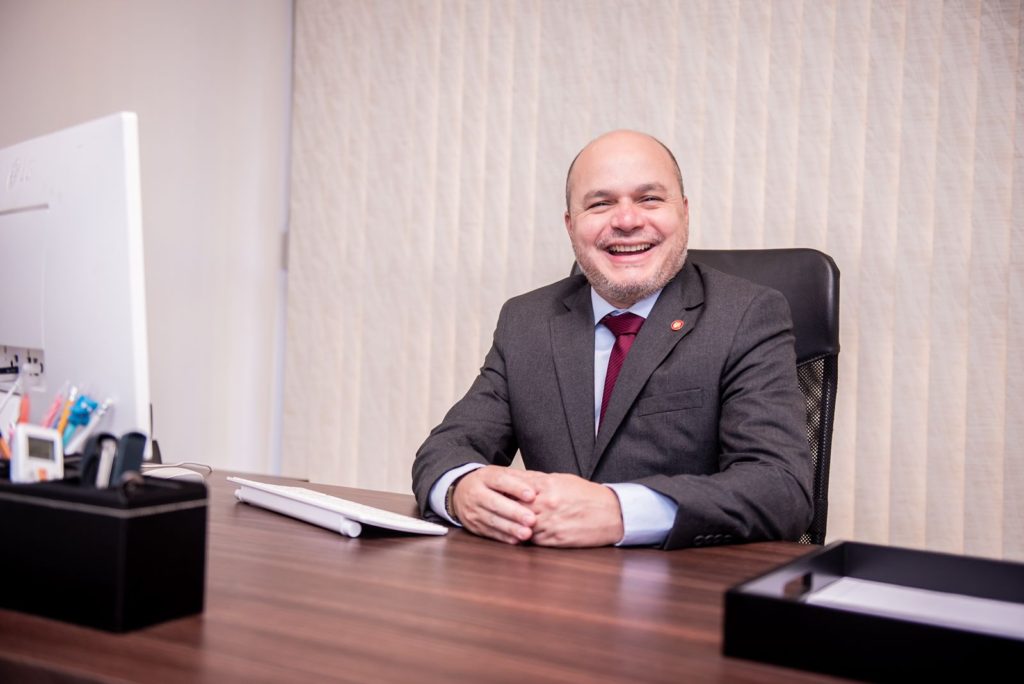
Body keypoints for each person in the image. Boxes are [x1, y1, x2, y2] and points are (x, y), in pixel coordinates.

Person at [412, 130, 812, 549]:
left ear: (684, 212)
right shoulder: (527, 321)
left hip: (686, 580)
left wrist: (620, 511)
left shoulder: (745, 315)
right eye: (600, 204)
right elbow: (445, 449)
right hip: (547, 577)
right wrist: (461, 489)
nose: (626, 221)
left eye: (649, 199)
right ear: (571, 226)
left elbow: (780, 487)